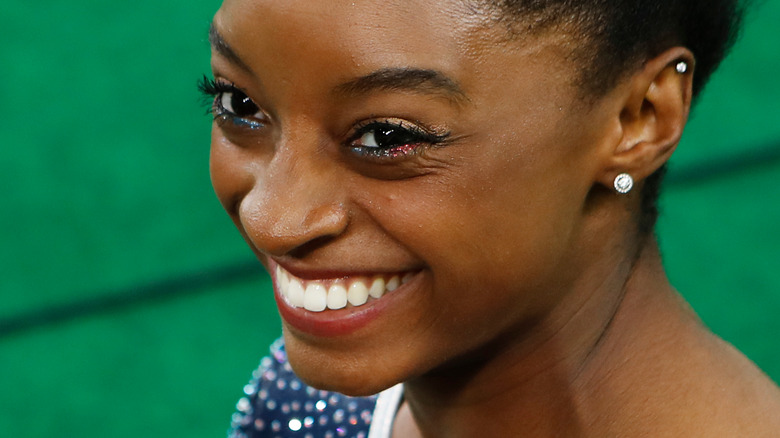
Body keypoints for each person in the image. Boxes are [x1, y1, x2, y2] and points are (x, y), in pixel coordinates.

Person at [199, 0, 780, 436]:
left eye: (385, 137)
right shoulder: (297, 407)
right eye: (239, 105)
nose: (270, 218)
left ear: (639, 119)